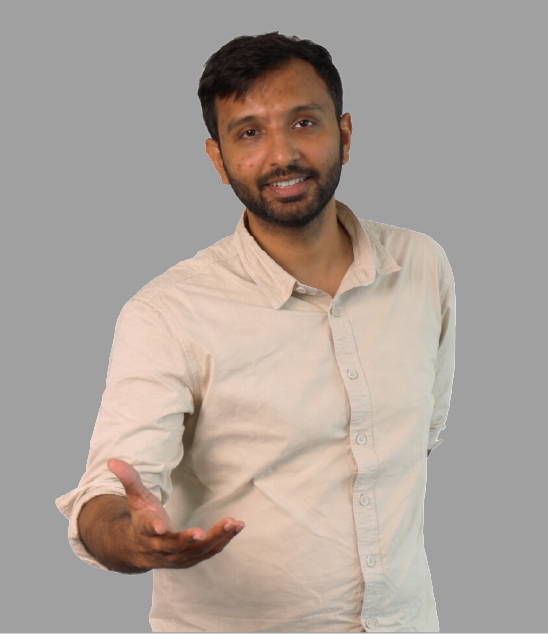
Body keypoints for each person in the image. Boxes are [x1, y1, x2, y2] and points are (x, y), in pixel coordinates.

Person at [55, 31, 455, 633]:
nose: (281, 155)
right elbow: (106, 496)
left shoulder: (422, 266)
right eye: (248, 133)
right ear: (218, 160)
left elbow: (419, 436)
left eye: (304, 123)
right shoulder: (167, 314)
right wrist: (135, 540)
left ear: (345, 134)